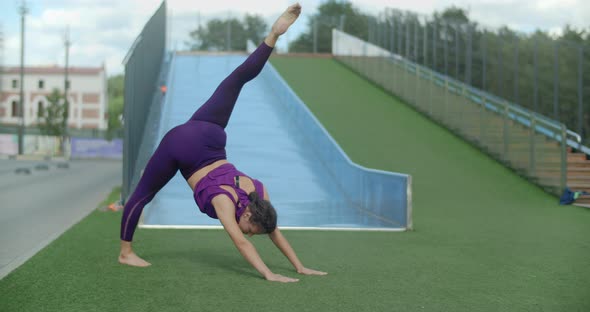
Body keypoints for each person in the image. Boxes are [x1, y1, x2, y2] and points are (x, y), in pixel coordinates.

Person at [119, 3, 327, 283]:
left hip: (209, 132)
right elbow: (241, 243)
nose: (250, 233)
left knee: (236, 80)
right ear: (251, 213)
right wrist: (268, 274)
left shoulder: (260, 194)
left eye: (254, 232)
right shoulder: (225, 202)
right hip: (182, 147)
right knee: (143, 193)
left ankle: (273, 36)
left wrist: (299, 266)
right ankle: (125, 254)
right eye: (252, 229)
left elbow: (273, 230)